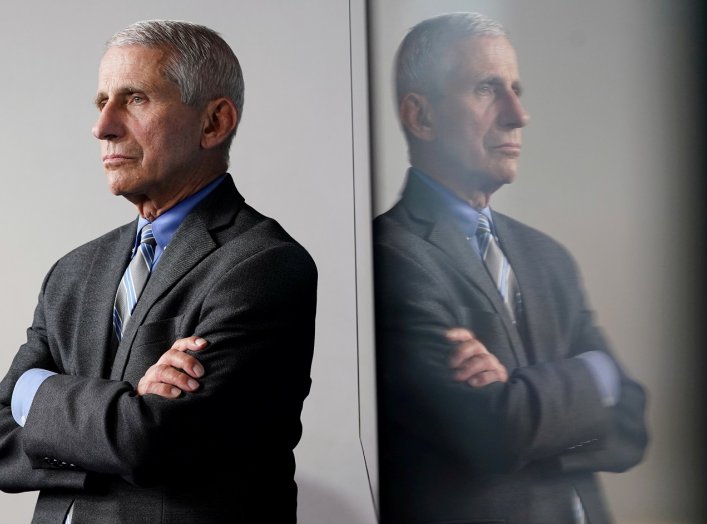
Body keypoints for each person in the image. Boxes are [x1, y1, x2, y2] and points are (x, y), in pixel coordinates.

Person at [0, 20, 317, 523]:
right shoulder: (72, 272)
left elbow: (148, 439)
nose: (102, 126)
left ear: (213, 123)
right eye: (101, 101)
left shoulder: (265, 265)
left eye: (135, 99)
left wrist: (32, 394)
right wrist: (123, 412)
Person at [373, 12, 647, 524]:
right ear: (421, 117)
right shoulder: (387, 257)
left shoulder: (549, 259)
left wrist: (519, 401)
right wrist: (595, 377)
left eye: (516, 89)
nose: (518, 115)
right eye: (486, 89)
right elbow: (491, 430)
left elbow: (632, 426)